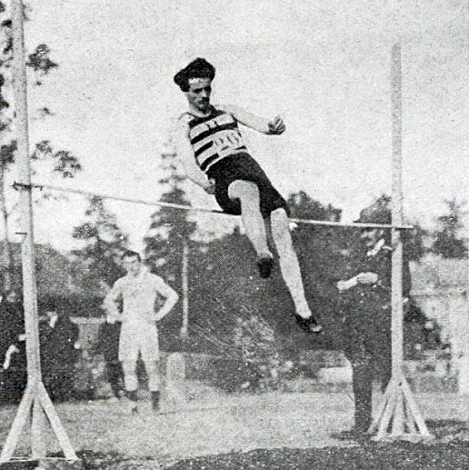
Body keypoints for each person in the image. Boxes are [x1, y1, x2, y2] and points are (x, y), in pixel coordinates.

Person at [172, 57, 321, 334]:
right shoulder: (184, 124)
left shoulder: (227, 111)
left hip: (252, 169)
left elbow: (262, 125)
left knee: (281, 224)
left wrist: (274, 127)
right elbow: (189, 163)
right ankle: (262, 252)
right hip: (224, 176)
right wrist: (203, 182)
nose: (204, 95)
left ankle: (303, 309)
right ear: (186, 92)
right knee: (247, 191)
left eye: (207, 89)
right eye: (197, 91)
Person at [335, 199, 412, 436]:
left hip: (382, 323)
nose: (363, 235)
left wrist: (377, 281)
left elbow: (405, 287)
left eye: (368, 230)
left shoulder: (393, 254)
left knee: (388, 372)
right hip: (359, 323)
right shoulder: (362, 254)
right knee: (360, 373)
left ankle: (395, 420)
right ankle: (361, 424)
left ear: (381, 230)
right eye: (362, 230)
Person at [103, 251, 179, 413]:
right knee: (128, 366)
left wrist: (158, 315)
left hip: (147, 327)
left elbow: (173, 296)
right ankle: (133, 405)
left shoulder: (152, 279)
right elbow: (108, 300)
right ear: (123, 265)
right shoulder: (122, 282)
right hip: (129, 328)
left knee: (151, 366)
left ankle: (155, 405)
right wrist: (118, 316)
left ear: (140, 262)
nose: (131, 266)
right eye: (127, 263)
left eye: (134, 262)